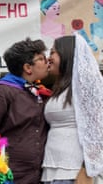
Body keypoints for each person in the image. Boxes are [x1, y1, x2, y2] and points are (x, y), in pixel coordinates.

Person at [0, 38, 51, 183]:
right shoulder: (2, 92)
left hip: (36, 176)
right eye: (41, 59)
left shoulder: (39, 92)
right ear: (28, 68)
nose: (47, 62)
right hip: (8, 176)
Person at [41, 35, 103, 184]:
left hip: (73, 171)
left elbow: (97, 129)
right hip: (52, 168)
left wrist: (87, 169)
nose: (49, 58)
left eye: (53, 53)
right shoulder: (61, 87)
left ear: (66, 54)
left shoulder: (86, 84)